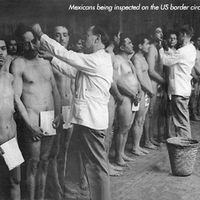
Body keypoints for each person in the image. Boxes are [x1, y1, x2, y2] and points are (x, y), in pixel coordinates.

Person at [32, 23, 113, 200]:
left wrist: (42, 35)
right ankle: (72, 195)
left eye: (87, 35)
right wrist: (51, 59)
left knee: (97, 169)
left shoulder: (98, 59)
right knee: (74, 164)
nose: (84, 38)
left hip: (91, 123)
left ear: (97, 38)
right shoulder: (94, 60)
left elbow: (67, 55)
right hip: (84, 121)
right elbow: (72, 70)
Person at [11, 25, 61, 200]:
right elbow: (16, 98)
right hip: (31, 118)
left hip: (50, 117)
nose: (31, 47)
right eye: (26, 44)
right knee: (33, 164)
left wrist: (59, 113)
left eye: (34, 42)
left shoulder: (46, 61)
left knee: (45, 162)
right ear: (20, 45)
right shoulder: (18, 63)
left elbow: (55, 89)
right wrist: (28, 124)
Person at [47, 25, 74, 199]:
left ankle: (63, 185)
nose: (61, 38)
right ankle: (54, 190)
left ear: (69, 37)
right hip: (53, 110)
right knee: (52, 152)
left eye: (64, 35)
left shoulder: (72, 58)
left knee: (66, 150)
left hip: (69, 108)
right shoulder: (47, 58)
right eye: (57, 35)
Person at [160, 25, 196, 138]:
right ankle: (184, 146)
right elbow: (175, 58)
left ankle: (184, 147)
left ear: (184, 35)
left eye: (179, 35)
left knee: (181, 123)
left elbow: (166, 61)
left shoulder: (182, 51)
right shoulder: (192, 48)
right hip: (185, 89)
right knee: (183, 121)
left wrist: (162, 49)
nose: (178, 38)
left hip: (179, 90)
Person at [114, 33, 140, 166]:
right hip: (125, 97)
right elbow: (118, 82)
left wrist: (139, 90)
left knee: (128, 127)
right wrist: (131, 94)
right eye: (129, 43)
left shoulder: (128, 61)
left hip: (134, 97)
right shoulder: (117, 60)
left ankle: (122, 153)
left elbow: (135, 78)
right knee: (122, 128)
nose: (132, 45)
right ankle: (118, 156)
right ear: (122, 47)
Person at [0, 38, 21, 200]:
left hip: (11, 140)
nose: (0, 52)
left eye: (3, 48)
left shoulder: (11, 78)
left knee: (15, 181)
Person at [131, 34, 154, 155]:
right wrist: (149, 90)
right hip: (142, 91)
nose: (149, 46)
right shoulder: (136, 59)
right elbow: (139, 78)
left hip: (146, 92)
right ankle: (135, 147)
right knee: (138, 120)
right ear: (140, 45)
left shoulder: (143, 58)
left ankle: (138, 146)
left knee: (142, 119)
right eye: (147, 44)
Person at [105, 31, 124, 176]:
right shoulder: (107, 53)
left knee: (110, 131)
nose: (119, 38)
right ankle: (105, 165)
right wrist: (118, 95)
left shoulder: (111, 53)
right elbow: (110, 80)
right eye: (118, 35)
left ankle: (107, 164)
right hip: (109, 96)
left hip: (113, 96)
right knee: (107, 132)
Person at [145, 27, 166, 146]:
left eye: (162, 32)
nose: (161, 34)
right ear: (153, 35)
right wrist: (164, 81)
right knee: (150, 112)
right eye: (158, 32)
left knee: (155, 112)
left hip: (158, 82)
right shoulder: (152, 48)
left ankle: (151, 138)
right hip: (153, 82)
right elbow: (151, 71)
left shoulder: (159, 48)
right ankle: (147, 140)